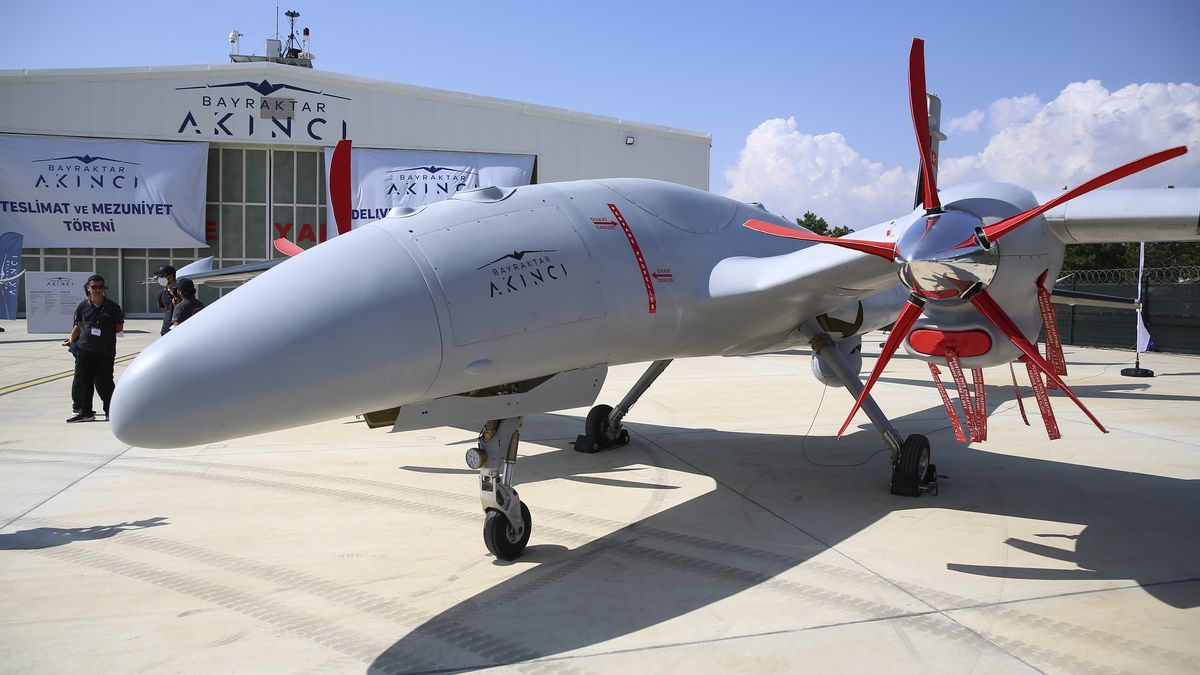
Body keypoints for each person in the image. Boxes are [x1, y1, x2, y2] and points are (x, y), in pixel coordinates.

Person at [63, 274, 124, 423]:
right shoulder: (82, 306)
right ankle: (86, 412)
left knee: (105, 382)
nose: (97, 290)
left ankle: (111, 411)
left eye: (100, 287)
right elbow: (79, 325)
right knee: (85, 381)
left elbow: (118, 327)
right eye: (94, 287)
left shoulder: (113, 307)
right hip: (85, 350)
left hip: (105, 351)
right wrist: (73, 340)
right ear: (88, 288)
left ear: (105, 289)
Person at [155, 264, 178, 336]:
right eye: (159, 276)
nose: (160, 278)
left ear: (170, 276)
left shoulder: (182, 291)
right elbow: (163, 309)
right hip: (166, 330)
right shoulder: (161, 293)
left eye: (162, 276)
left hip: (180, 329)